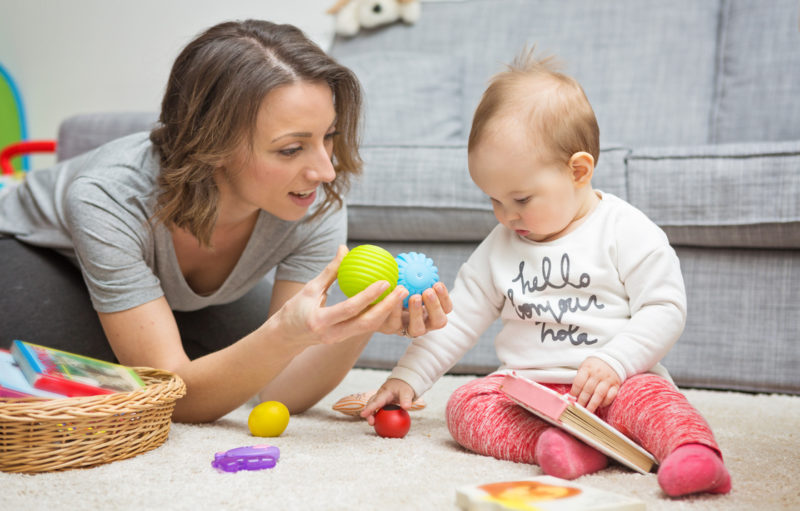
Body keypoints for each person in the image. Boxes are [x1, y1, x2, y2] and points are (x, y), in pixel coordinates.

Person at [0, 19, 451, 423]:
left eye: (327, 137)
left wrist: (366, 318)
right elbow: (171, 397)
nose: (326, 171)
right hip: (31, 254)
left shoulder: (314, 198)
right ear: (210, 146)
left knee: (256, 350)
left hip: (170, 295)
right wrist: (276, 340)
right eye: (291, 149)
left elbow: (281, 390)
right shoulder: (110, 196)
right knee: (128, 380)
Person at [361, 51, 731, 498]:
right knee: (465, 407)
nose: (505, 215)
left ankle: (696, 456)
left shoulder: (625, 229)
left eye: (520, 199)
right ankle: (565, 447)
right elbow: (456, 322)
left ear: (578, 171)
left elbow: (665, 307)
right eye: (493, 200)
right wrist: (406, 379)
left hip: (616, 384)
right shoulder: (500, 245)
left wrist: (617, 361)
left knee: (657, 405)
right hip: (530, 393)